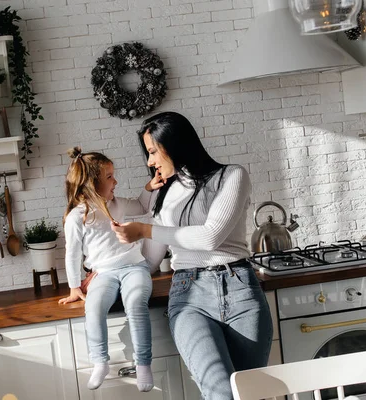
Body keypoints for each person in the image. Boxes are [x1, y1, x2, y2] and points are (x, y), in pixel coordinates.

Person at [111, 112, 273, 400]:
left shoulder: (232, 176)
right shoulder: (164, 196)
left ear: (173, 144)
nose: (150, 162)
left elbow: (211, 237)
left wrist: (146, 229)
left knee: (251, 394)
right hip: (189, 298)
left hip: (241, 291)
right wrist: (104, 272)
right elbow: (149, 261)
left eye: (152, 151)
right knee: (221, 393)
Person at [58, 147, 157, 392]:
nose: (116, 181)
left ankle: (143, 364)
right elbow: (72, 253)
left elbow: (142, 207)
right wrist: (73, 287)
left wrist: (150, 187)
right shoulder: (77, 217)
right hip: (104, 274)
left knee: (135, 303)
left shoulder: (118, 204)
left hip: (135, 268)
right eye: (110, 176)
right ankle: (99, 361)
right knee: (93, 306)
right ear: (92, 183)